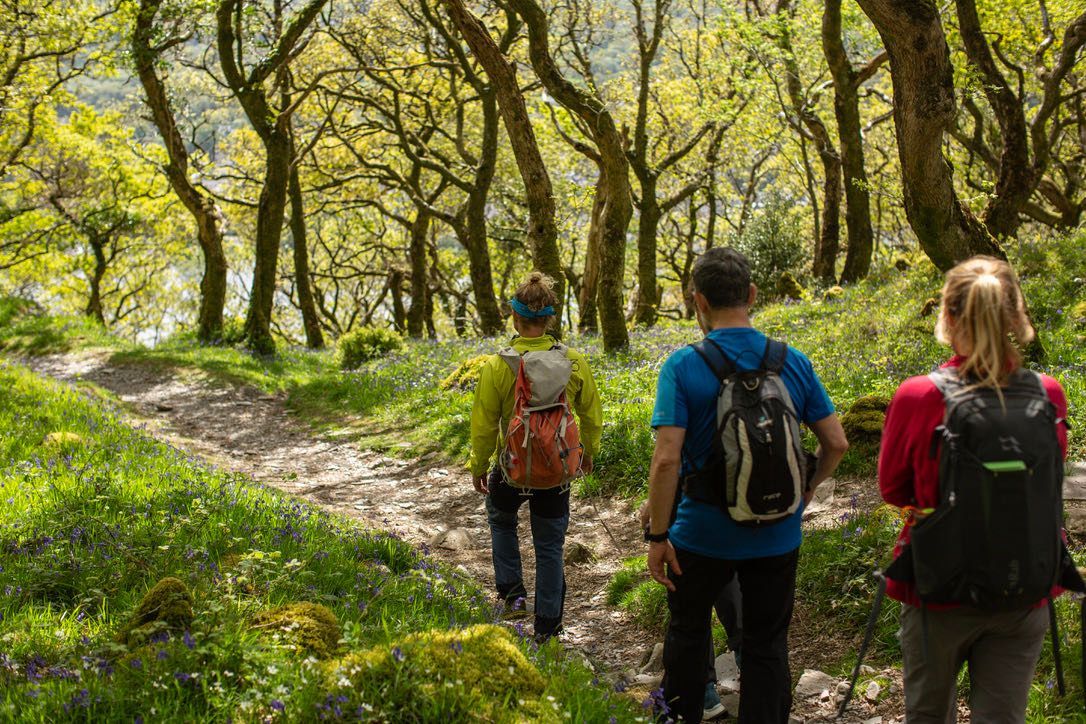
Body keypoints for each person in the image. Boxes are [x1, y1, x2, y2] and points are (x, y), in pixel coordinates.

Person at [645, 247, 848, 722]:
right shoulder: (791, 360)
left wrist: (658, 537)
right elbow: (835, 443)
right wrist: (807, 490)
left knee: (689, 632)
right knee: (766, 645)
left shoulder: (683, 365)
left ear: (697, 302)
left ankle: (683, 714)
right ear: (752, 295)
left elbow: (666, 460)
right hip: (778, 532)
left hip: (701, 535)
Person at [878, 256, 1070, 722]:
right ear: (1015, 316)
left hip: (939, 588)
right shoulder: (1048, 393)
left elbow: (892, 487)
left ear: (946, 314)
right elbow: (1050, 477)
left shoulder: (919, 395)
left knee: (928, 715)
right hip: (1026, 585)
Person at [468, 272, 603, 643]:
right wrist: (588, 453)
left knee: (501, 522)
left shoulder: (498, 365)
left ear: (514, 317)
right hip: (556, 469)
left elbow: (483, 423)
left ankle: (512, 597)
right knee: (548, 547)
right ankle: (548, 627)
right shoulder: (573, 361)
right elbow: (591, 414)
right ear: (549, 319)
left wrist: (479, 465)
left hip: (510, 469)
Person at [640, 501, 742, 720]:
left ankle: (703, 695)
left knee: (690, 620)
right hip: (750, 518)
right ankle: (758, 689)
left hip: (693, 521)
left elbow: (669, 466)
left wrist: (655, 521)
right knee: (732, 589)